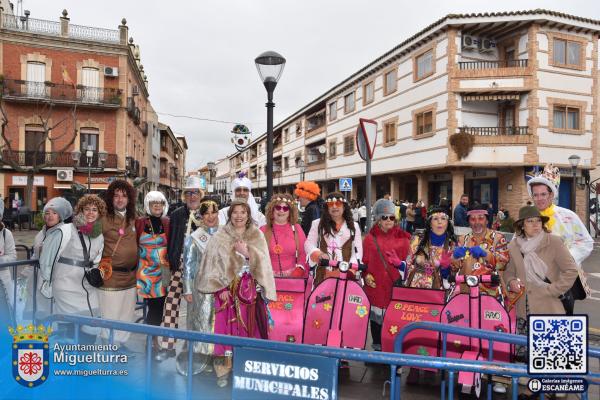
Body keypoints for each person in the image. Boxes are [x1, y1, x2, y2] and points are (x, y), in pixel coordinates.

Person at [196, 199, 276, 387]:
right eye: (235, 212)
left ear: (248, 215)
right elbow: (211, 263)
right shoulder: (220, 235)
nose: (239, 216)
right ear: (229, 215)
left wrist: (248, 253)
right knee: (225, 329)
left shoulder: (256, 234)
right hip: (226, 291)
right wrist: (221, 287)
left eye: (243, 212)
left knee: (250, 328)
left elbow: (264, 261)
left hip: (250, 292)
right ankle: (223, 371)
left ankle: (247, 367)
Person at [504, 206, 578, 366]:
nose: (535, 225)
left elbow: (571, 270)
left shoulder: (554, 242)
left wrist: (553, 289)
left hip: (548, 306)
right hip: (523, 309)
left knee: (550, 355)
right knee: (527, 356)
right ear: (522, 225)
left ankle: (552, 388)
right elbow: (508, 273)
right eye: (530, 221)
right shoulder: (513, 246)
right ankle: (533, 389)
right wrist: (511, 282)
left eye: (538, 221)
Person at [403, 206, 457, 384]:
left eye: (443, 218)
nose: (440, 222)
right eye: (436, 218)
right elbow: (408, 262)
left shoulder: (453, 243)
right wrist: (419, 265)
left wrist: (448, 270)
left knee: (435, 328)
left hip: (440, 292)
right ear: (429, 222)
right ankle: (413, 365)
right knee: (416, 326)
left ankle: (431, 365)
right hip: (418, 290)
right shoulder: (418, 239)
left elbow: (457, 268)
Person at [158, 175, 205, 361]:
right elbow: (171, 240)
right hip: (178, 266)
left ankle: (192, 349)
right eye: (188, 193)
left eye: (195, 193)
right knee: (170, 305)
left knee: (198, 309)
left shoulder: (207, 213)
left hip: (199, 269)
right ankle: (167, 346)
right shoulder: (177, 214)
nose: (192, 197)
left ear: (201, 195)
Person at [51, 195, 106, 343]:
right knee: (70, 327)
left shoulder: (99, 234)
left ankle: (83, 359)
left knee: (92, 324)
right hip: (66, 283)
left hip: (87, 284)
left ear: (100, 213)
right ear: (80, 211)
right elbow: (47, 252)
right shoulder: (67, 229)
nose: (90, 213)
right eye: (86, 209)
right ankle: (68, 361)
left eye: (95, 210)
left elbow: (99, 257)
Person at [176, 199, 220, 376]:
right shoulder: (194, 238)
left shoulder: (224, 234)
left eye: (213, 212)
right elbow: (187, 266)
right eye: (206, 212)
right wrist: (186, 289)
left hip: (221, 288)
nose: (210, 216)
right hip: (200, 289)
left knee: (218, 323)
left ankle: (218, 359)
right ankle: (201, 358)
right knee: (201, 322)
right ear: (201, 216)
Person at [362, 199, 410, 352]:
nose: (389, 220)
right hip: (375, 286)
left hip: (394, 285)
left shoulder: (403, 238)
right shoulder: (370, 239)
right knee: (376, 319)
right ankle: (377, 347)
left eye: (391, 217)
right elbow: (364, 261)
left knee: (393, 319)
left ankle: (392, 347)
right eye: (384, 217)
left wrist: (402, 267)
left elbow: (409, 263)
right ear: (378, 219)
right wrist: (366, 275)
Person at [98, 180, 139, 351]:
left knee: (126, 313)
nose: (120, 199)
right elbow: (88, 233)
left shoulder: (134, 218)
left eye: (124, 196)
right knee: (110, 312)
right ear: (111, 198)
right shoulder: (103, 218)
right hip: (110, 275)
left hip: (130, 276)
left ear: (129, 198)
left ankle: (120, 343)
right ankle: (109, 344)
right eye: (116, 196)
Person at [527, 164, 593, 267]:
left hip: (565, 276)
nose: (539, 198)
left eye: (543, 194)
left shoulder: (568, 216)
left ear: (551, 195)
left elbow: (586, 242)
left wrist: (567, 259)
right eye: (535, 195)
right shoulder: (526, 219)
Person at [305, 192, 363, 285]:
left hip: (346, 275)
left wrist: (350, 270)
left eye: (338, 204)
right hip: (322, 274)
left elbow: (357, 251)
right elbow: (308, 244)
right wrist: (318, 254)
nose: (334, 207)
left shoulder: (354, 226)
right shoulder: (317, 224)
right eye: (330, 204)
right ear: (326, 208)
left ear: (344, 207)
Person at [453, 205, 509, 299]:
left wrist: (486, 254)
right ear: (468, 222)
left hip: (491, 294)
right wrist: (454, 258)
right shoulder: (463, 240)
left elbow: (503, 263)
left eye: (481, 218)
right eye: (472, 219)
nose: (477, 222)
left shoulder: (498, 238)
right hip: (466, 293)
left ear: (487, 221)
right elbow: (455, 269)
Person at [135, 191, 170, 341]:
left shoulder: (167, 222)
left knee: (161, 305)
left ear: (164, 205)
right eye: (153, 203)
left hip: (164, 271)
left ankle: (153, 337)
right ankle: (152, 339)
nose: (157, 206)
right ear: (147, 205)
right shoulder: (140, 222)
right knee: (153, 306)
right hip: (146, 271)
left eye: (160, 203)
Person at [35, 197, 74, 318]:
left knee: (53, 316)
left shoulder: (64, 233)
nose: (50, 216)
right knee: (41, 314)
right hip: (39, 281)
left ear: (60, 216)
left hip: (55, 283)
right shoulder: (41, 233)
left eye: (54, 213)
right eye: (47, 213)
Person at [260, 193, 308, 278]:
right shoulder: (263, 230)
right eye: (278, 207)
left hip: (293, 280)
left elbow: (303, 253)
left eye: (285, 208)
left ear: (290, 212)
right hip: (268, 279)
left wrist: (300, 269)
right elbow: (257, 255)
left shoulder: (297, 229)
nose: (281, 211)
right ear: (272, 210)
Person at [0, 205, 17, 311]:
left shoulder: (6, 234)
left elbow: (12, 256)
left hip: (2, 280)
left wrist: (1, 260)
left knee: (5, 312)